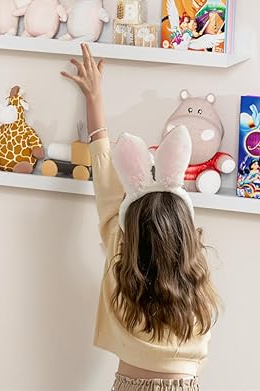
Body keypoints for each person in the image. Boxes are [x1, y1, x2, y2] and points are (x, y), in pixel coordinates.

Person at [62, 44, 219, 391]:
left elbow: (105, 176)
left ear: (127, 228)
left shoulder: (119, 258)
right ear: (185, 232)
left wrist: (94, 98)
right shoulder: (198, 285)